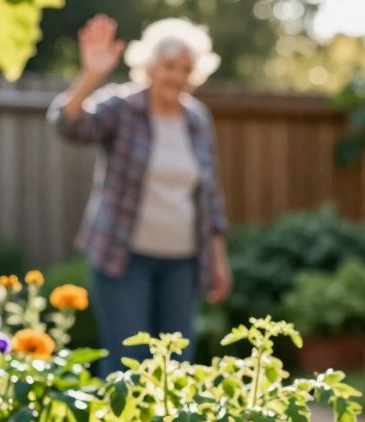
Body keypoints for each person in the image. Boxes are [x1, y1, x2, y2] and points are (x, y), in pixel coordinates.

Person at [48, 15, 232, 374]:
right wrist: (91, 76)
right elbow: (67, 125)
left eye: (185, 69)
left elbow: (209, 195)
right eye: (169, 66)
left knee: (175, 367)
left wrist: (218, 259)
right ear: (149, 66)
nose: (177, 76)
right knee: (127, 364)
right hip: (123, 259)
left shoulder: (197, 119)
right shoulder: (122, 108)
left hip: (185, 263)